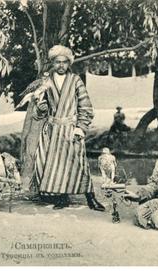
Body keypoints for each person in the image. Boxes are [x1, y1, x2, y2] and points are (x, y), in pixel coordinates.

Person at [32, 45, 105, 211]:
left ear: (69, 63)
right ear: (52, 63)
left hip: (71, 128)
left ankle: (91, 198)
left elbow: (85, 107)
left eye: (64, 62)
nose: (61, 66)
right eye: (57, 62)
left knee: (79, 163)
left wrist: (81, 127)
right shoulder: (45, 81)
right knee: (54, 164)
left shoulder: (76, 80)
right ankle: (61, 198)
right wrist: (40, 108)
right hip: (51, 129)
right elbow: (37, 111)